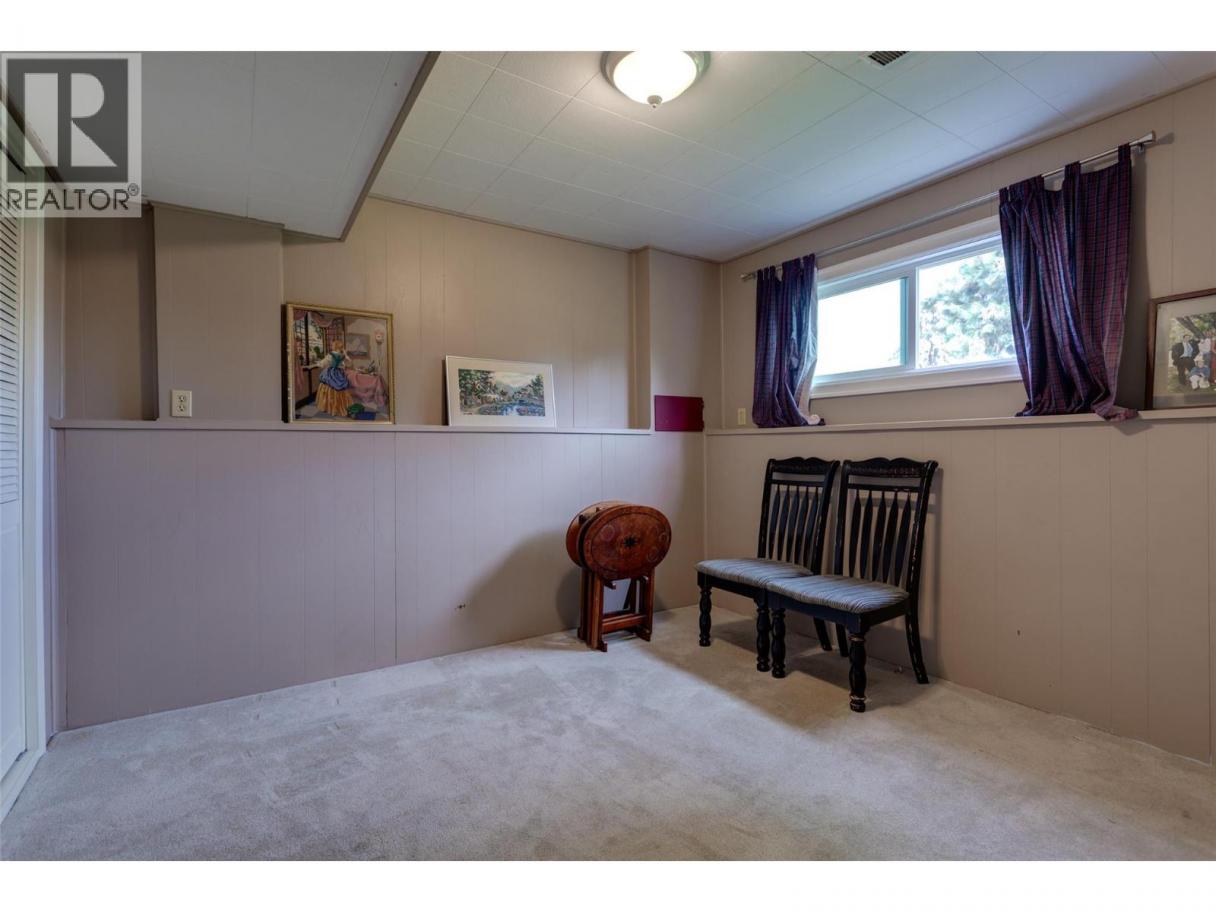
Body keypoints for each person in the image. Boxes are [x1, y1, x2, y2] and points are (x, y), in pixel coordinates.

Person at [314, 342, 355, 417]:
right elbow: (349, 364)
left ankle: (329, 407)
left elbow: (322, 364)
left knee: (328, 386)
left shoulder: (330, 355)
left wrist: (318, 363)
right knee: (340, 387)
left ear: (334, 346)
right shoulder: (343, 356)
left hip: (330, 372)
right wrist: (345, 355)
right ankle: (341, 406)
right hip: (339, 373)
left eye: (332, 345)